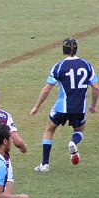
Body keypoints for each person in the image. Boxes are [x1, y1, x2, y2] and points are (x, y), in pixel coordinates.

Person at [31, 38, 99, 172]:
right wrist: (93, 106)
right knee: (79, 130)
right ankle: (73, 143)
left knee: (49, 130)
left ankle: (45, 164)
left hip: (61, 108)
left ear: (63, 50)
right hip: (79, 108)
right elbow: (96, 88)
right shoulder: (87, 65)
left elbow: (46, 89)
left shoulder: (59, 66)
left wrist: (36, 107)